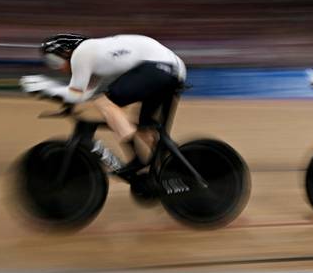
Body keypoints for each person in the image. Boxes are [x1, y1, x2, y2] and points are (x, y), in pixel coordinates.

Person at [19, 33, 187, 175]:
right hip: (172, 69)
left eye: (54, 61)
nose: (57, 68)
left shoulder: (81, 53)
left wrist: (45, 87)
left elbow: (75, 94)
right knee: (145, 127)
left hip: (157, 67)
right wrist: (61, 98)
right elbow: (83, 95)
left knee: (105, 104)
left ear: (67, 52)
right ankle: (172, 164)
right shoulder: (95, 57)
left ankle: (137, 158)